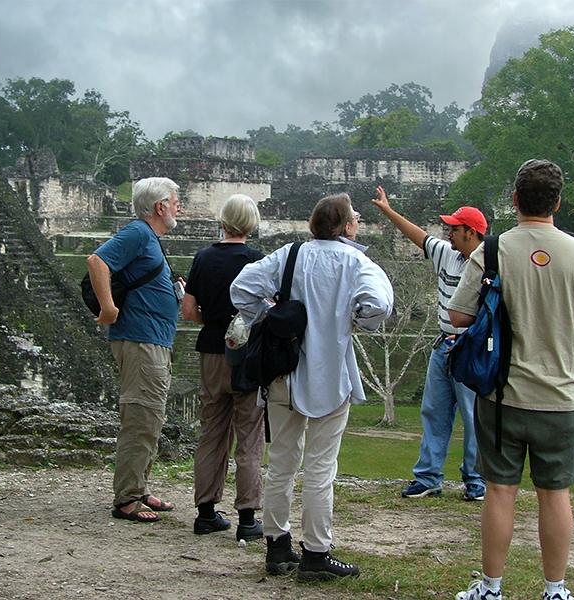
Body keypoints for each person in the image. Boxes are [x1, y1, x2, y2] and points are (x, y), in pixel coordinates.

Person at [449, 160, 574, 600]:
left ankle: (491, 588)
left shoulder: (493, 249)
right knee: (554, 494)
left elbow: (459, 315)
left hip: (503, 396)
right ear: (558, 202)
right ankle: (555, 589)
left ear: (516, 200)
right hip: (560, 398)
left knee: (500, 491)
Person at [231, 193, 393, 581]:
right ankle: (316, 553)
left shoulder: (291, 254)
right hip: (330, 374)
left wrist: (267, 316)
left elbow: (242, 288)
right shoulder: (355, 261)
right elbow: (379, 304)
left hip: (284, 372)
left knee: (282, 462)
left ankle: (276, 544)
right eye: (354, 217)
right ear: (347, 227)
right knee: (321, 468)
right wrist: (353, 319)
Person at [372, 186, 486, 502]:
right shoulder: (446, 253)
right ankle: (428, 477)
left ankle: (476, 479)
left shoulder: (491, 262)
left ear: (471, 232)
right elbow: (418, 236)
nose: (448, 233)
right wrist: (387, 210)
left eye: (455, 228)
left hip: (472, 348)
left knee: (475, 416)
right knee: (434, 412)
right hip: (444, 345)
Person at [87, 177, 183, 523]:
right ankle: (127, 497)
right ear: (160, 207)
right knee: (141, 416)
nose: (178, 207)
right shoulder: (139, 233)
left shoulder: (150, 239)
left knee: (150, 417)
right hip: (141, 339)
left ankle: (138, 487)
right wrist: (108, 308)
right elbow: (97, 261)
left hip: (152, 339)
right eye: (174, 201)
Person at [182, 194, 266, 541]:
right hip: (247, 355)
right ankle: (247, 517)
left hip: (212, 350)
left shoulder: (203, 257)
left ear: (223, 221)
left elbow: (188, 311)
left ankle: (205, 512)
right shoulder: (256, 260)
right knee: (249, 437)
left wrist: (213, 321)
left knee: (212, 431)